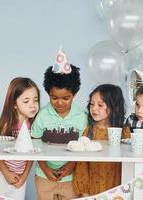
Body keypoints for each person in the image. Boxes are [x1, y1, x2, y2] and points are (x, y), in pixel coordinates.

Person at [31, 48, 87, 200]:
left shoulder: (81, 117)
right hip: (44, 175)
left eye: (66, 98)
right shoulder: (42, 116)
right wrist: (45, 168)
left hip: (71, 177)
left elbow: (83, 145)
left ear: (74, 95)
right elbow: (34, 145)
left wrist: (71, 166)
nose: (60, 103)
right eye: (54, 98)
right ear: (48, 94)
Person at [0, 77, 40, 200]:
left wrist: (24, 176)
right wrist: (6, 173)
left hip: (20, 175)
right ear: (14, 104)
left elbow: (32, 153)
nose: (32, 105)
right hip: (0, 173)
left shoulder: (35, 126)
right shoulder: (6, 125)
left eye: (35, 100)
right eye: (26, 101)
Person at [73, 84, 130, 197]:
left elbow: (129, 164)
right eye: (92, 104)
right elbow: (82, 164)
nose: (94, 109)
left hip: (118, 190)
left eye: (100, 105)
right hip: (93, 190)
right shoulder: (89, 131)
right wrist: (85, 192)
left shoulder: (124, 132)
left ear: (115, 107)